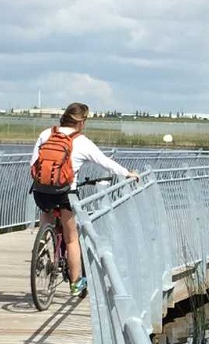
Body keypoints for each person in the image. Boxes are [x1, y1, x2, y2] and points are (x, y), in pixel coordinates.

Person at [30, 102, 138, 296]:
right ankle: (75, 283)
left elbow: (33, 164)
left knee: (45, 225)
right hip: (65, 193)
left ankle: (40, 256)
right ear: (82, 121)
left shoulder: (46, 134)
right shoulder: (81, 141)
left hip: (41, 190)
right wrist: (126, 173)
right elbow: (104, 161)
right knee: (72, 238)